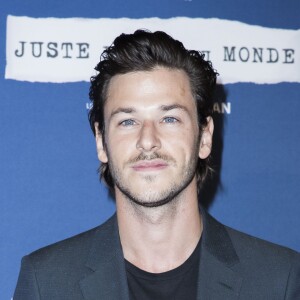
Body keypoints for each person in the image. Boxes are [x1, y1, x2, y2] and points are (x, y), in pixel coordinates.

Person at [14, 30, 300, 300]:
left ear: (205, 137)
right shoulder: (47, 282)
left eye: (170, 119)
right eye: (128, 121)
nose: (148, 140)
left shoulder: (277, 279)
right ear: (101, 142)